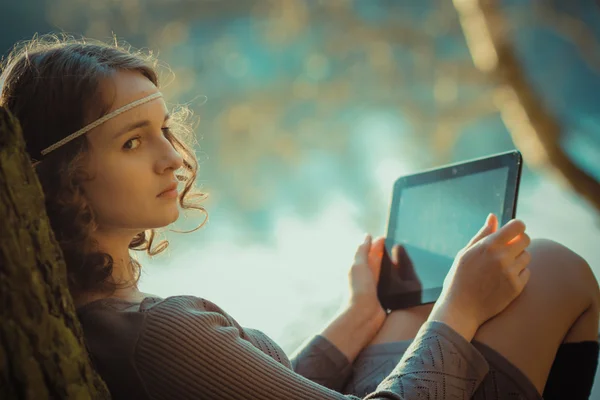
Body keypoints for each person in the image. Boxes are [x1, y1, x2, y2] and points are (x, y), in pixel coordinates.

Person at [1, 34, 598, 400]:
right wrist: (462, 306)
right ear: (59, 176)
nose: (170, 158)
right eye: (132, 142)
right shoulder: (155, 333)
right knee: (552, 264)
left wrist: (355, 315)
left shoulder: (110, 322)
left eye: (163, 129)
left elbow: (271, 389)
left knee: (404, 308)